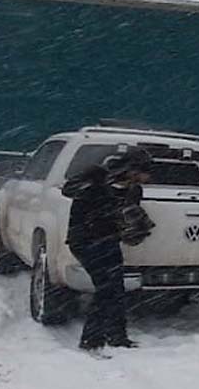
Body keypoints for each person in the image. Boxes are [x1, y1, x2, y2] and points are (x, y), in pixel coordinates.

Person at [62, 146, 153, 351]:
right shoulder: (97, 175)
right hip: (84, 241)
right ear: (132, 168)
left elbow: (127, 214)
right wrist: (97, 184)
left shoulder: (134, 190)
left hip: (109, 240)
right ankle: (91, 339)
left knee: (117, 289)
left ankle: (117, 336)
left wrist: (135, 226)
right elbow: (68, 189)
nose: (144, 178)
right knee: (105, 288)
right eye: (142, 173)